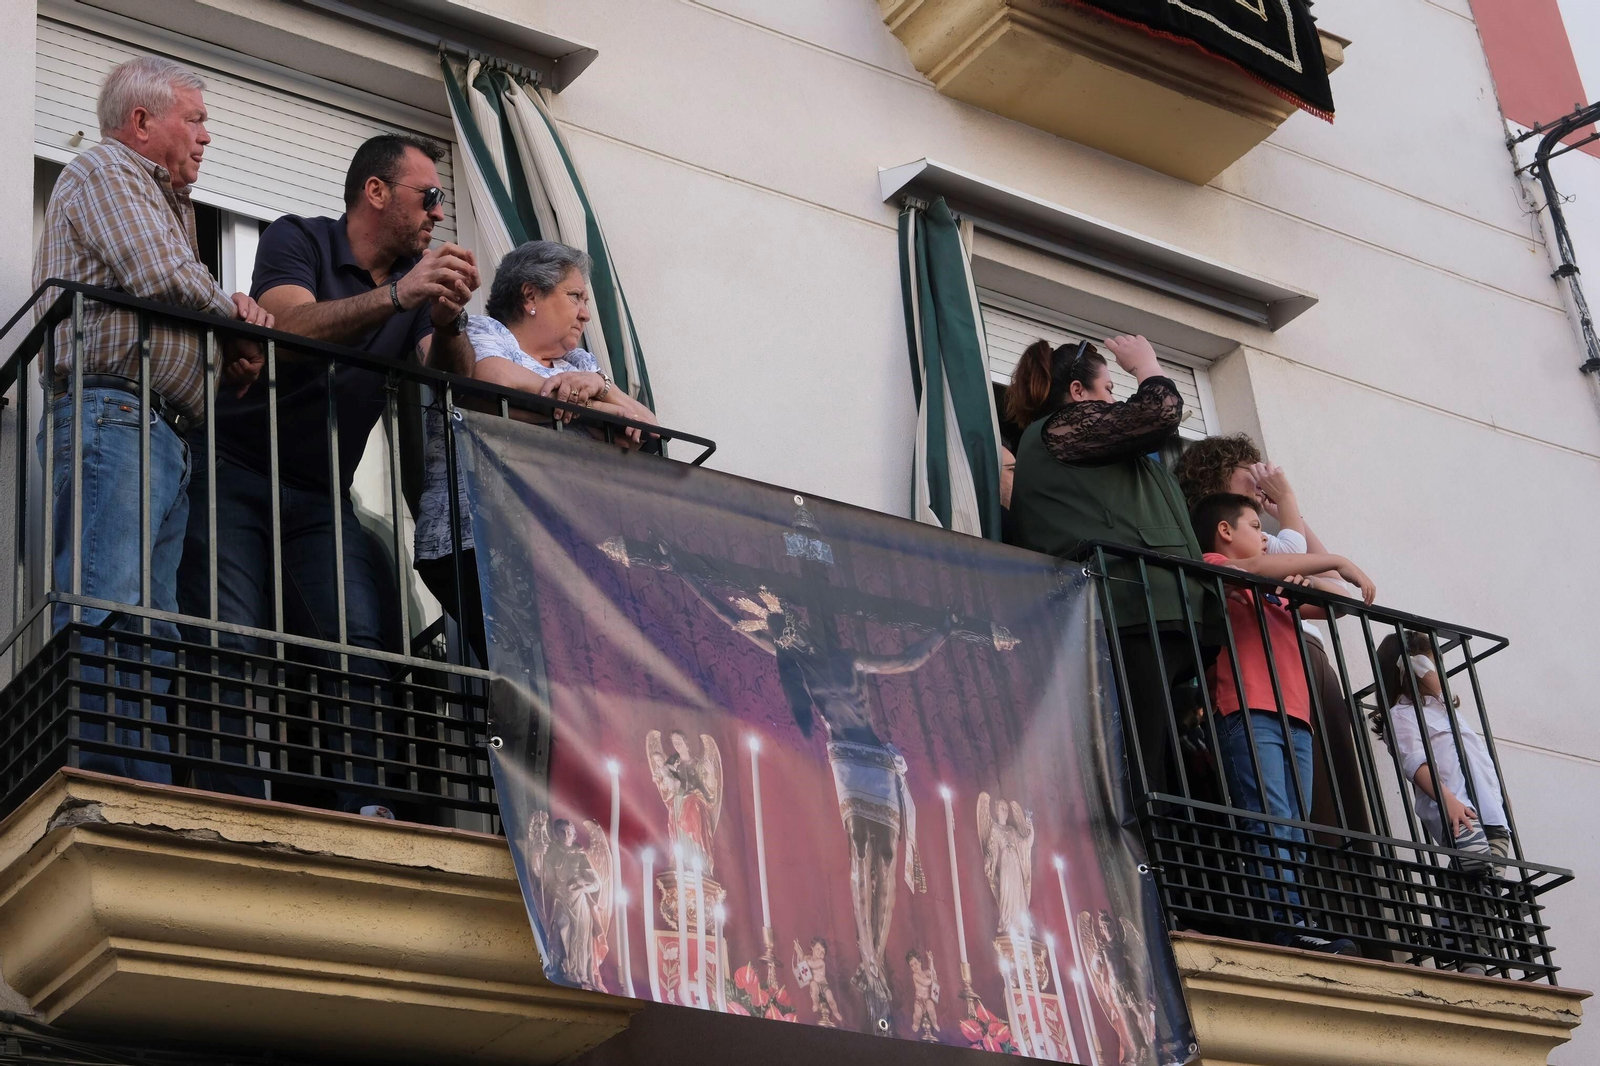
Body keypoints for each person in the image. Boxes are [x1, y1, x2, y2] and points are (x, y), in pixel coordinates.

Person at [177, 133, 480, 814]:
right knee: (229, 632)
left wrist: (449, 319)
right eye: (429, 196)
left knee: (358, 638)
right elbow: (290, 327)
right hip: (231, 468)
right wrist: (401, 298)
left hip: (320, 494)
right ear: (377, 192)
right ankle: (229, 804)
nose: (438, 214)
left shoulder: (412, 286)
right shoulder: (300, 239)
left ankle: (365, 804)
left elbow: (450, 377)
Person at [31, 55, 272, 783]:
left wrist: (218, 351)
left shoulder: (165, 201)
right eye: (194, 119)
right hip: (113, 415)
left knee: (154, 624)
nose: (206, 137)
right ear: (140, 122)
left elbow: (166, 289)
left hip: (152, 427)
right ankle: (105, 771)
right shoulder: (106, 170)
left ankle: (138, 778)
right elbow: (159, 275)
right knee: (107, 599)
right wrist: (232, 314)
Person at [412, 240, 655, 663]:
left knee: (576, 673)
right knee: (532, 673)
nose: (585, 312)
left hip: (567, 544)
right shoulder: (484, 332)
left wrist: (594, 387)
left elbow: (648, 427)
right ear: (530, 296)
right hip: (482, 535)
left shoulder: (580, 361)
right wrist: (595, 414)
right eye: (575, 296)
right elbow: (492, 383)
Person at [1005, 334, 1212, 796]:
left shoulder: (1083, 444)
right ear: (1078, 393)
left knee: (1153, 758)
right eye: (1108, 391)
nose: (1116, 404)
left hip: (1149, 609)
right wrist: (1146, 365)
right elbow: (1158, 411)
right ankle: (1143, 859)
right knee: (1137, 767)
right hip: (1128, 609)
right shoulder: (1060, 429)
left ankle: (1160, 852)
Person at [1172, 435, 1377, 838]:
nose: (1260, 477)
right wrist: (1288, 506)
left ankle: (1304, 895)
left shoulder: (1263, 540)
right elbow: (1270, 563)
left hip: (1292, 691)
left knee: (1300, 824)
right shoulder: (1218, 556)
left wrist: (1284, 521)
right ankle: (1284, 897)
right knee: (1273, 821)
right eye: (1249, 471)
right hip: (1253, 695)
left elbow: (1337, 593)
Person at [1190, 492, 1355, 955]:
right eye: (1254, 527)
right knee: (1271, 817)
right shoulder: (1214, 564)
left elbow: (1338, 603)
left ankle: (1294, 919)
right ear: (1225, 531)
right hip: (1247, 708)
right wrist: (1337, 559)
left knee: (1294, 824)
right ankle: (1286, 923)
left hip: (1295, 715)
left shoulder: (1273, 586)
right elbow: (1259, 569)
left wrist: (1313, 576)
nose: (1265, 537)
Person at [1371, 632, 1510, 877]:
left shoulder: (1449, 713)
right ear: (1413, 668)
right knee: (1475, 866)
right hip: (1457, 807)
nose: (1439, 671)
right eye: (1432, 663)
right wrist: (1449, 802)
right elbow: (1416, 764)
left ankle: (1458, 913)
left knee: (1488, 887)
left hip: (1491, 811)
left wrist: (1500, 801)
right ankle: (1450, 911)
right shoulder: (1402, 716)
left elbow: (1479, 760)